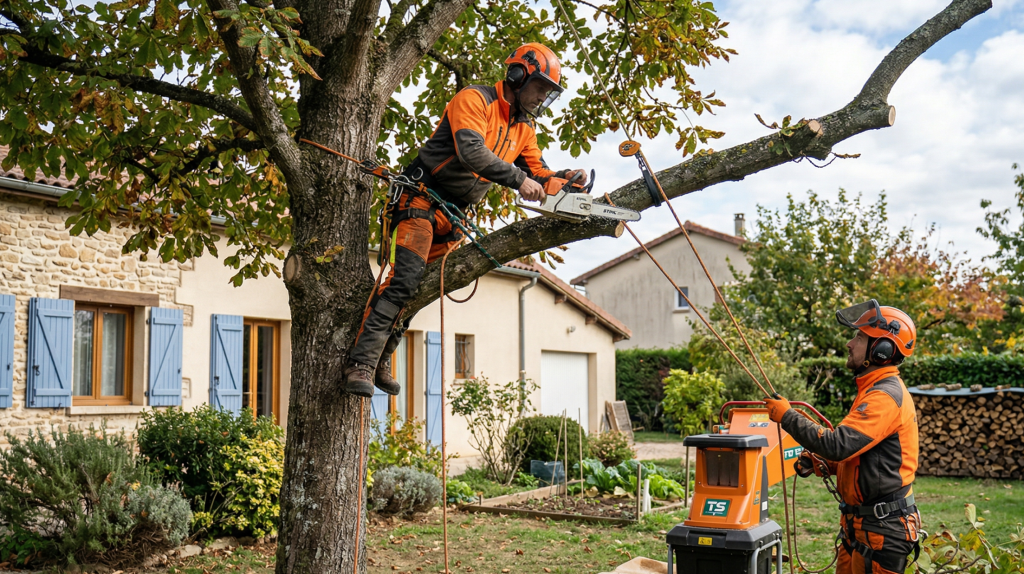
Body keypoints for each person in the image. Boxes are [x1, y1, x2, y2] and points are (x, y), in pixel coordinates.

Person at [343, 42, 588, 397]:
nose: (541, 99)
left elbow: (539, 172)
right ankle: (361, 363)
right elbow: (472, 151)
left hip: (453, 216)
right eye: (540, 89)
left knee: (424, 288)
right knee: (405, 280)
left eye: (548, 93)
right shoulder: (475, 100)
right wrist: (520, 181)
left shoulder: (524, 130)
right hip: (421, 200)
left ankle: (382, 357)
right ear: (519, 76)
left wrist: (567, 180)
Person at [765, 300, 922, 574]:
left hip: (881, 531)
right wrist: (830, 465)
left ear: (881, 350)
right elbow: (866, 455)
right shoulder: (873, 389)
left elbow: (837, 444)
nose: (850, 343)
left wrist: (787, 416)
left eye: (859, 337)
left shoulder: (885, 396)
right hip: (861, 528)